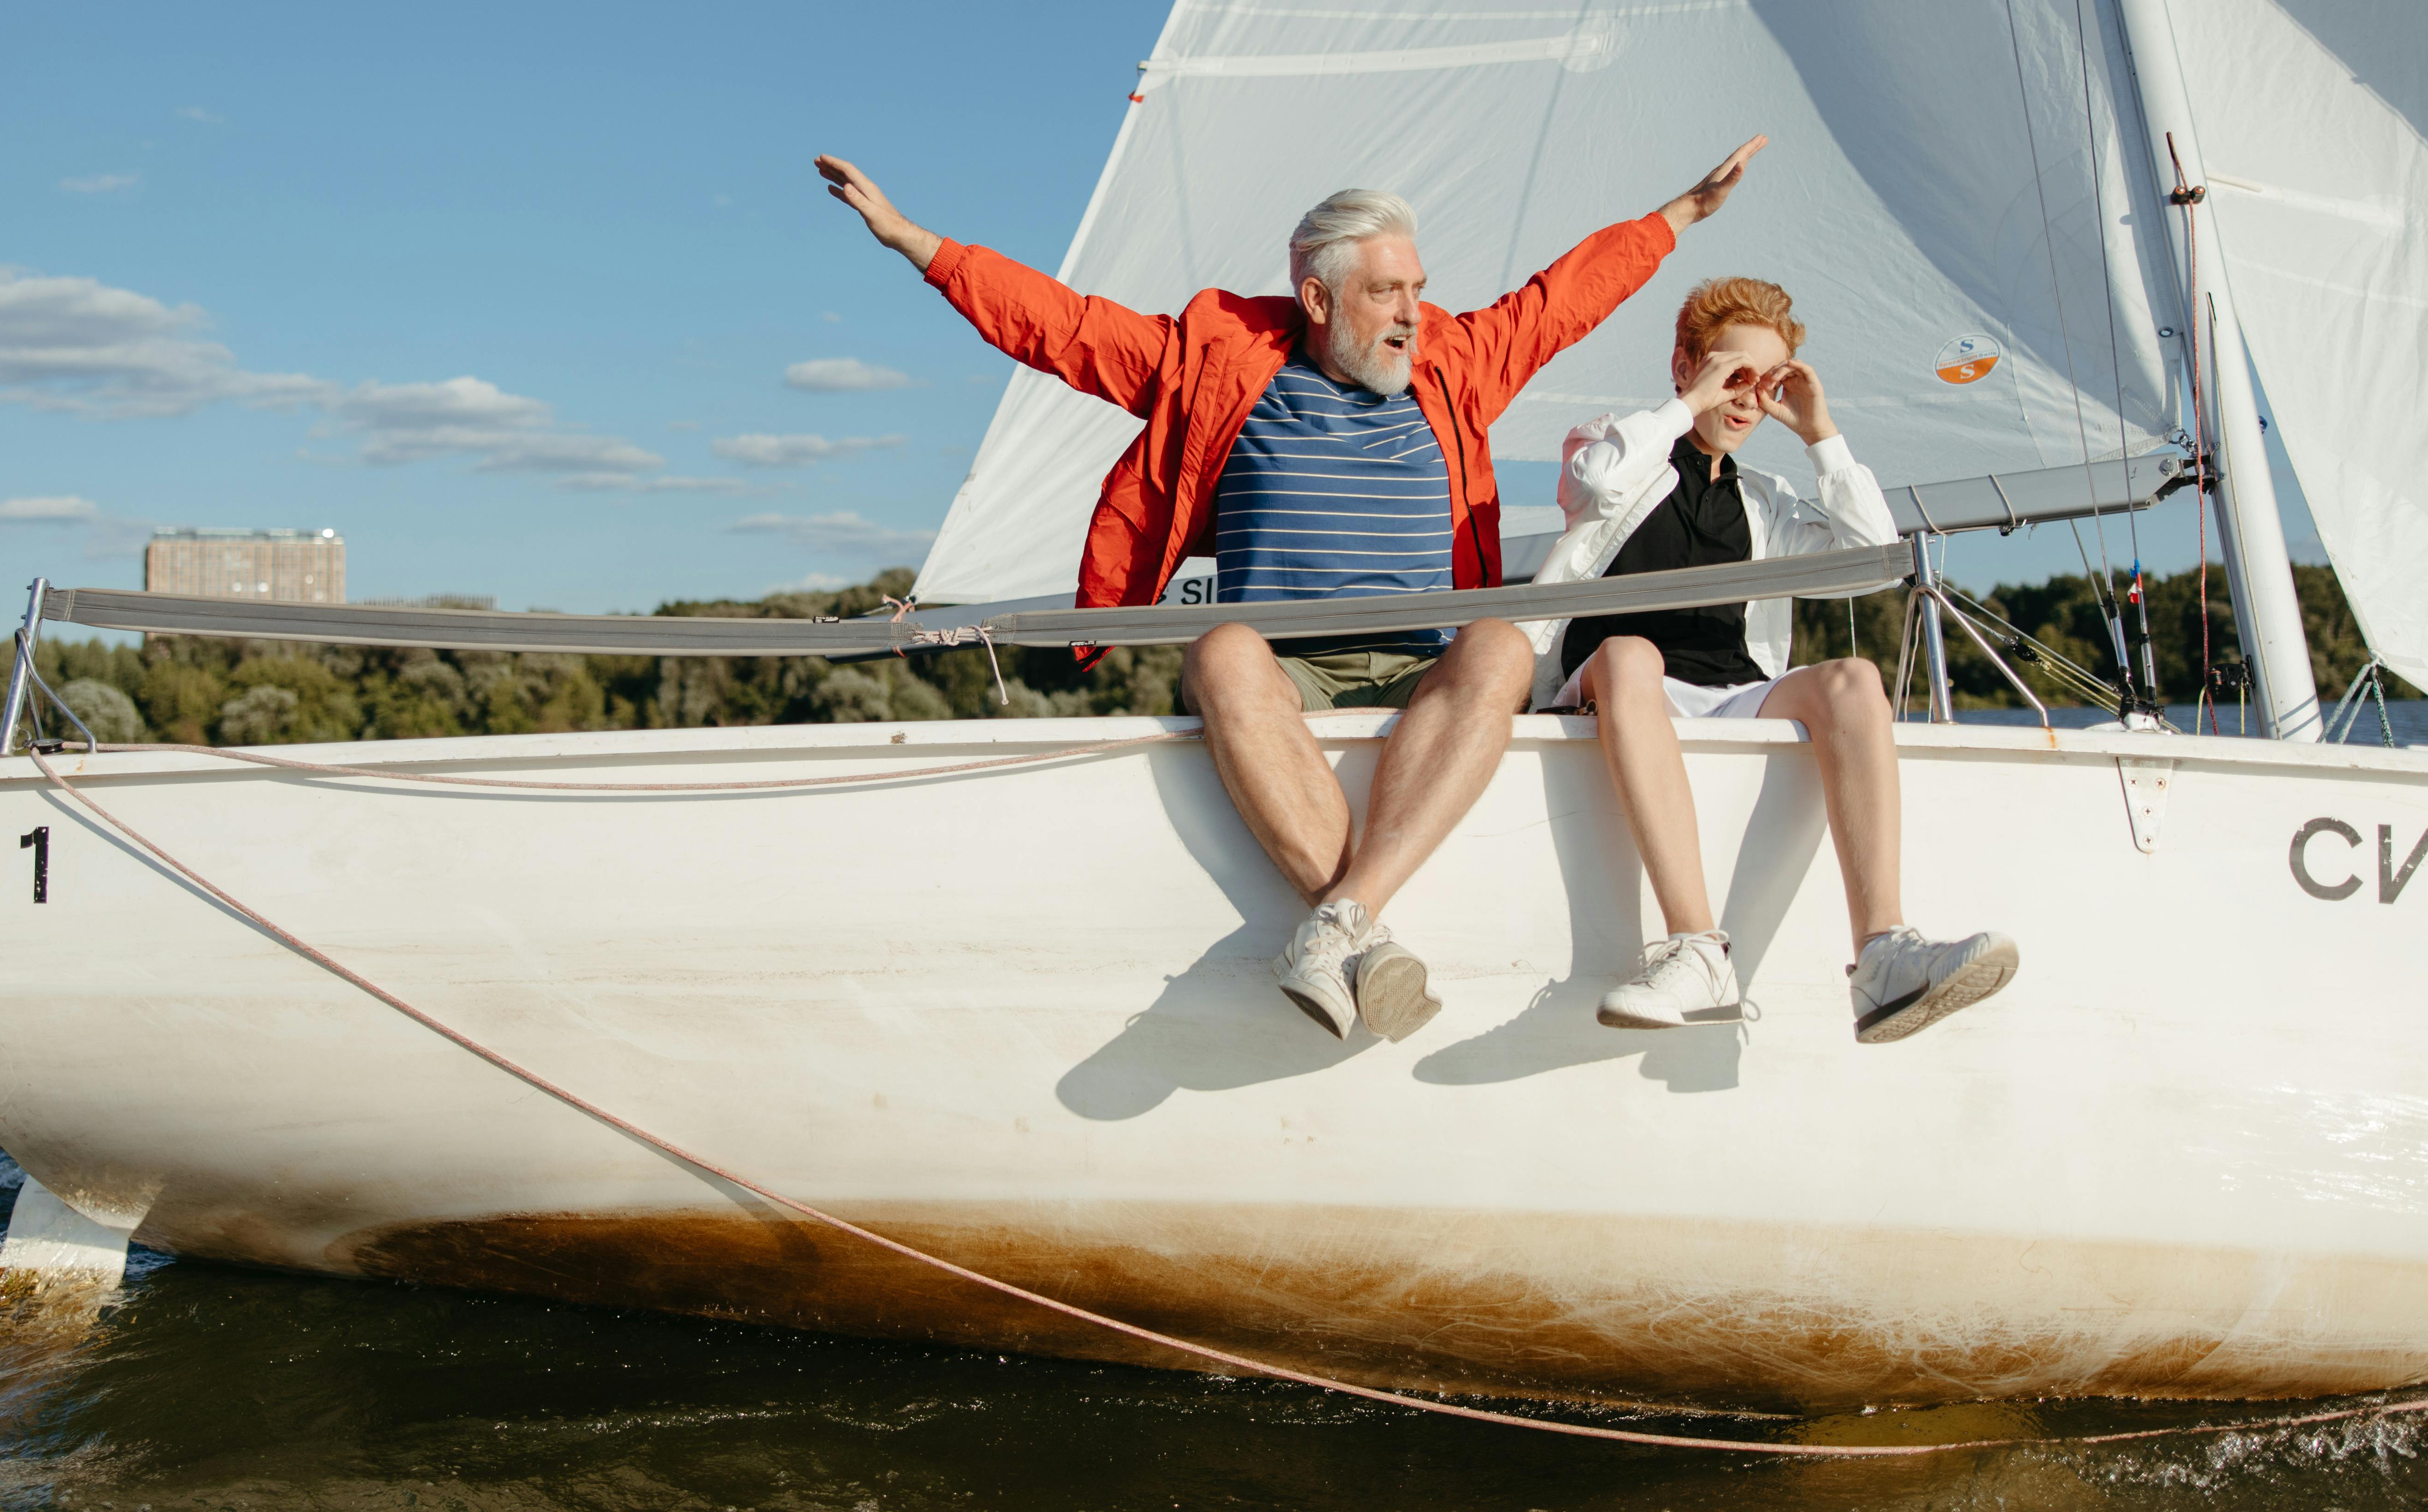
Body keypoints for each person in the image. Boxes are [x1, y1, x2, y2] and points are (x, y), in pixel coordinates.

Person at [812, 139, 1765, 1045]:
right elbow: (1063, 327)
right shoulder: (1214, 362)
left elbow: (1562, 300)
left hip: (1421, 669)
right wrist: (916, 242)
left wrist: (1682, 212)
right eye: (1386, 290)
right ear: (1317, 294)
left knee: (1504, 643)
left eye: (1419, 289)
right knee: (1221, 645)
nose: (1412, 312)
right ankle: (1372, 939)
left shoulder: (1455, 365)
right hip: (1284, 676)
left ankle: (1343, 923)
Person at [1524, 276, 2018, 1043]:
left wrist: (1821, 434)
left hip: (1724, 692)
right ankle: (1695, 947)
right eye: (1733, 374)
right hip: (1613, 684)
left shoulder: (1767, 499)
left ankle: (1881, 952)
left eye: (1768, 381)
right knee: (1631, 654)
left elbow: (1869, 563)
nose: (1749, 398)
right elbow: (1593, 484)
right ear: (1685, 365)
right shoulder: (1614, 447)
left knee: (1854, 679)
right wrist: (1689, 406)